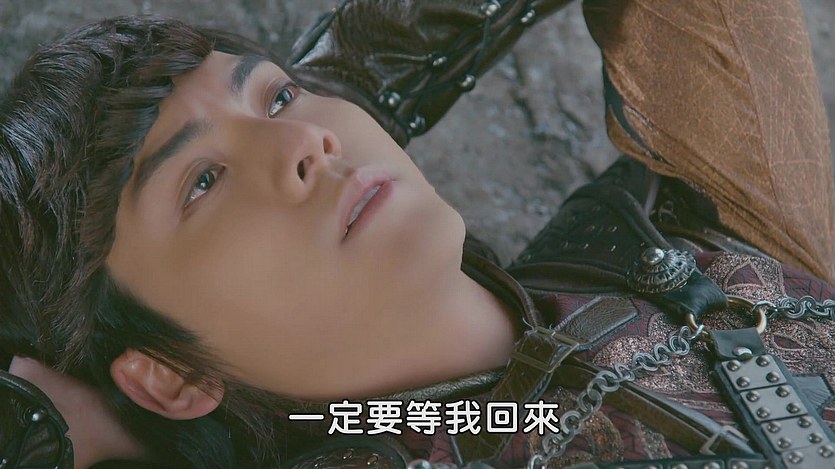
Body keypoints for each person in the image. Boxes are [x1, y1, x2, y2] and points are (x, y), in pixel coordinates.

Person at [1, 1, 833, 468]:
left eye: (280, 96)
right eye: (203, 182)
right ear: (171, 377)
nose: (304, 141)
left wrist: (366, 79)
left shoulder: (708, 232)